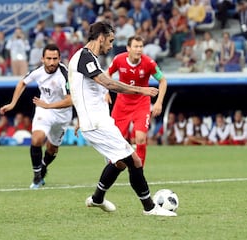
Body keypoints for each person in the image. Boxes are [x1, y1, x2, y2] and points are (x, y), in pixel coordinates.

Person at [68, 21, 176, 216]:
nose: (110, 46)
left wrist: (79, 118)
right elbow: (109, 83)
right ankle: (150, 208)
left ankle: (97, 198)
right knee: (134, 161)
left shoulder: (87, 58)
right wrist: (141, 90)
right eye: (110, 41)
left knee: (119, 162)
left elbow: (80, 92)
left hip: (96, 122)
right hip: (97, 124)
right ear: (100, 37)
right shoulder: (84, 57)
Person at [0, 44, 73, 189]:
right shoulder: (38, 72)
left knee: (52, 149)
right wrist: (13, 103)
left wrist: (48, 105)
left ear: (59, 59)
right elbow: (22, 83)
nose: (52, 62)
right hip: (44, 111)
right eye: (49, 58)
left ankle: (43, 167)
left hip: (62, 114)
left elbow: (70, 100)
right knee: (37, 139)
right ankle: (37, 176)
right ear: (42, 59)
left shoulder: (65, 75)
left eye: (55, 59)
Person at [106, 35, 167, 167]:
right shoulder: (119, 60)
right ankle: (111, 164)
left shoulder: (149, 63)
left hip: (141, 103)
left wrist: (159, 102)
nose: (139, 50)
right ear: (128, 48)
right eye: (136, 46)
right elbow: (107, 74)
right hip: (122, 103)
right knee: (116, 138)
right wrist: (105, 92)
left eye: (141, 47)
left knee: (140, 138)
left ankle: (139, 172)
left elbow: (162, 80)